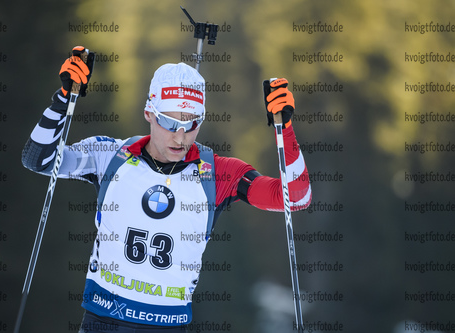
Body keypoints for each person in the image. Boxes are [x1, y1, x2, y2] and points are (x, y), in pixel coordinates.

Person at [21, 46, 312, 332]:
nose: (180, 136)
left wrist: (284, 127)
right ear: (149, 112)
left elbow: (296, 198)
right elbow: (38, 159)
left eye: (191, 123)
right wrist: (63, 99)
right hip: (103, 322)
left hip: (168, 326)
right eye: (169, 121)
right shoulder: (109, 155)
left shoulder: (219, 173)